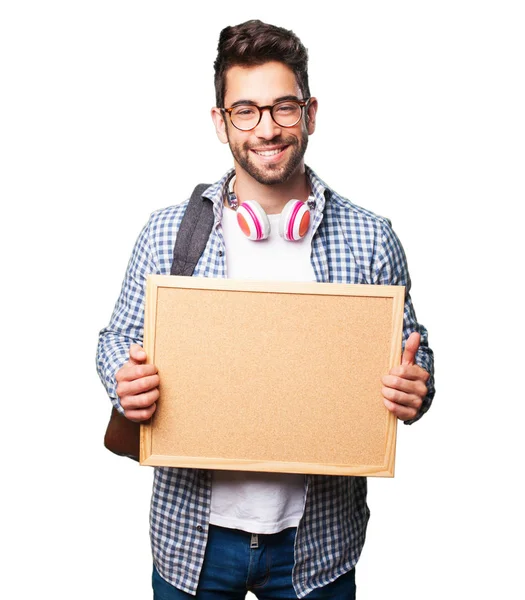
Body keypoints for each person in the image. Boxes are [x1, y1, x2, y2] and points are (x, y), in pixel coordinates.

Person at [97, 19, 435, 600]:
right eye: (246, 111)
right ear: (220, 121)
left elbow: (416, 358)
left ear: (309, 114)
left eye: (283, 108)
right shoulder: (169, 233)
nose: (267, 129)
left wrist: (416, 388)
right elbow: (114, 342)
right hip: (192, 542)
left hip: (318, 544)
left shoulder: (371, 237)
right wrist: (122, 379)